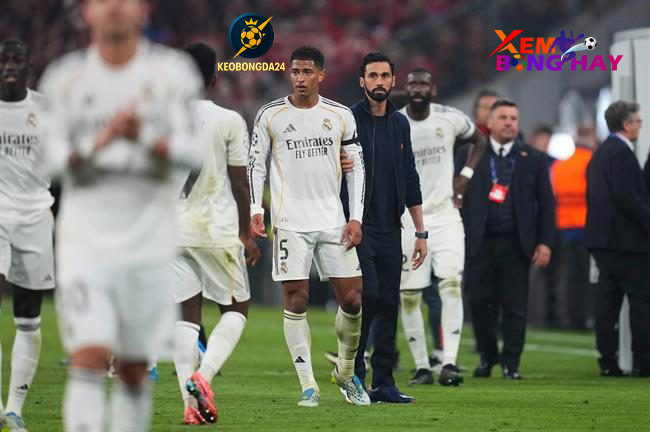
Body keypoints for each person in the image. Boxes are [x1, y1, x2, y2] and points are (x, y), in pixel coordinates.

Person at [38, 0, 202, 430]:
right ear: (86, 12)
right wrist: (103, 140)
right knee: (89, 356)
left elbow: (192, 151)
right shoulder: (64, 78)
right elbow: (51, 162)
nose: (114, 6)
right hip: (85, 242)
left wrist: (142, 136)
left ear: (143, 10)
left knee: (132, 366)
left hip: (150, 242)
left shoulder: (172, 74)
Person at [248, 46, 369, 407]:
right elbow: (255, 164)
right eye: (295, 72)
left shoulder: (340, 115)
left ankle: (345, 372)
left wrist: (356, 216)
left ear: (321, 75)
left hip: (333, 220)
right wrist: (256, 208)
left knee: (353, 299)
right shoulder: (270, 114)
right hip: (290, 222)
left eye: (307, 72)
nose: (300, 78)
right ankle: (308, 385)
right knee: (296, 299)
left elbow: (357, 168)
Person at [171, 42, 261, 425]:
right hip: (216, 228)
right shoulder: (229, 119)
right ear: (214, 78)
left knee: (186, 318)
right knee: (237, 308)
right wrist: (246, 233)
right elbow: (239, 183)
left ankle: (190, 407)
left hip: (173, 231)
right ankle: (203, 377)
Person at [344, 52, 426, 403]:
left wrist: (420, 232)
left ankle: (385, 382)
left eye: (385, 76)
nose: (379, 81)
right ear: (362, 81)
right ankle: (354, 374)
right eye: (373, 75)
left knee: (390, 302)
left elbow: (410, 176)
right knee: (370, 296)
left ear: (393, 81)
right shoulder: (347, 119)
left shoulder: (400, 124)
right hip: (359, 227)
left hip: (392, 227)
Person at [397, 68, 487, 386]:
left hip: (446, 215)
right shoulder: (396, 122)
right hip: (408, 219)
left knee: (450, 286)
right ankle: (422, 366)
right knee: (410, 295)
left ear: (433, 89)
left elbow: (479, 139)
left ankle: (449, 362)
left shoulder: (449, 118)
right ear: (406, 89)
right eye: (412, 84)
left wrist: (466, 175)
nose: (418, 89)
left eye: (423, 84)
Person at [457, 99, 555, 379]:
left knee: (515, 306)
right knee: (478, 302)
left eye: (513, 118)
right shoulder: (469, 153)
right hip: (479, 242)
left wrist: (545, 242)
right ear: (489, 122)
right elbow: (456, 194)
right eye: (503, 117)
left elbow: (547, 203)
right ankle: (488, 356)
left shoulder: (533, 158)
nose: (509, 123)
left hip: (516, 243)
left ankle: (511, 362)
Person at [0, 38, 54, 432]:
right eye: (3, 60)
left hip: (36, 215)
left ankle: (14, 408)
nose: (9, 66)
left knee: (28, 317)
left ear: (28, 65)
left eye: (16, 60)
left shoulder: (47, 109)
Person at [585, 100, 650, 377]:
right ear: (626, 124)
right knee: (641, 300)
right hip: (626, 243)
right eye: (638, 121)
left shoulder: (600, 153)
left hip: (602, 241)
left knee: (607, 301)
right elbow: (628, 198)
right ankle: (643, 361)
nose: (640, 126)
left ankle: (608, 360)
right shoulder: (622, 154)